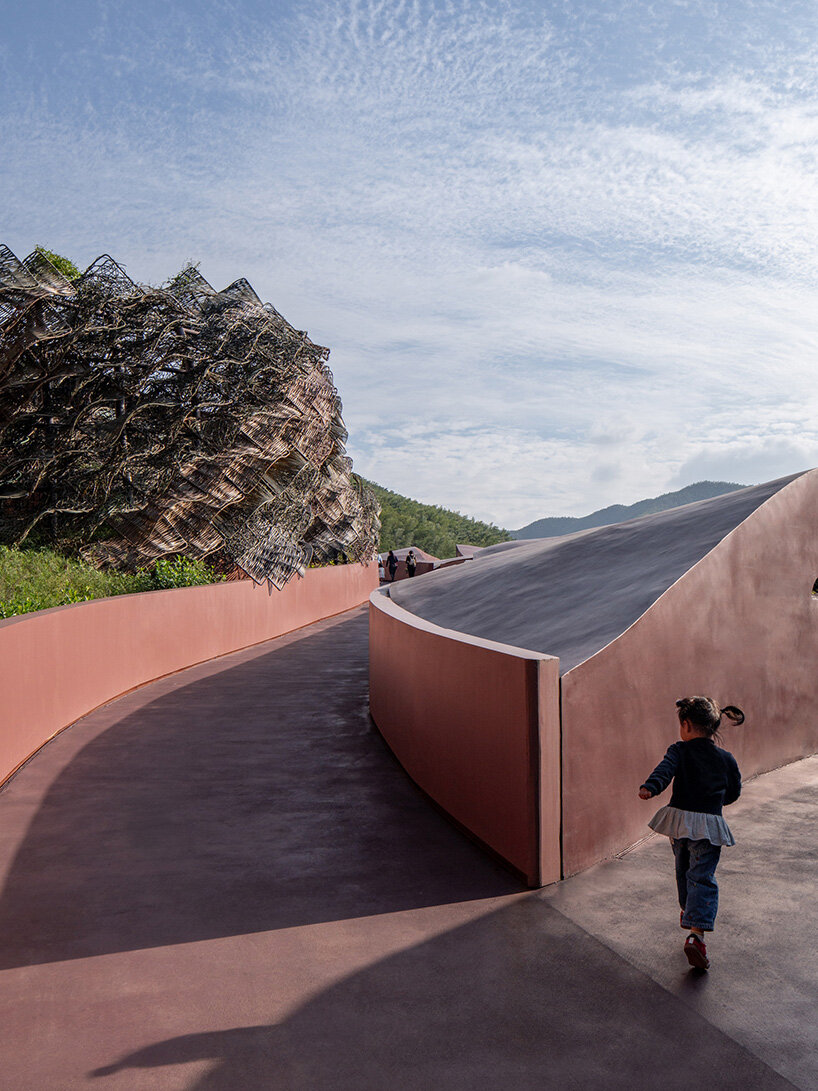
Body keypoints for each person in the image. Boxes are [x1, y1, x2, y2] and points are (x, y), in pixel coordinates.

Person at [639, 696, 744, 971]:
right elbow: (733, 792)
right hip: (708, 826)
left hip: (680, 823)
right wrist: (715, 802)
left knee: (683, 871)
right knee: (702, 876)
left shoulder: (678, 750)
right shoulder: (726, 758)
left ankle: (691, 913)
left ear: (685, 724)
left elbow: (665, 771)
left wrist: (651, 787)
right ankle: (696, 935)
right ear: (713, 726)